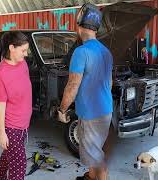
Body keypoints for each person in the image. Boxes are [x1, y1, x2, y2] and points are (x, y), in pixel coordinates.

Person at [58, 3, 113, 180]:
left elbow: (72, 85)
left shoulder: (81, 52)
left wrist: (62, 110)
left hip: (90, 114)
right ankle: (91, 176)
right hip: (105, 110)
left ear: (79, 26)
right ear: (96, 28)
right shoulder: (106, 52)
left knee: (97, 158)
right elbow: (109, 83)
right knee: (95, 152)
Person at [0, 31, 32, 180]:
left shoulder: (23, 64)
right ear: (11, 48)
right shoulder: (0, 73)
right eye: (23, 50)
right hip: (10, 126)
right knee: (19, 164)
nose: (26, 54)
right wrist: (2, 133)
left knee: (10, 154)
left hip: (23, 124)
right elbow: (0, 107)